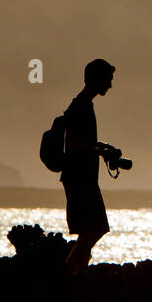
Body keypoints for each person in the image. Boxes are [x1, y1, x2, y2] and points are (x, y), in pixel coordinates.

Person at [61, 59, 117, 274]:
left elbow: (78, 140)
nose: (110, 85)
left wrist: (99, 147)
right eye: (108, 80)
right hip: (79, 177)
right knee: (97, 227)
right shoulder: (82, 105)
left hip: (79, 176)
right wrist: (99, 151)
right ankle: (66, 272)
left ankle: (78, 274)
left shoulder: (83, 103)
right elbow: (73, 142)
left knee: (88, 229)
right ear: (98, 79)